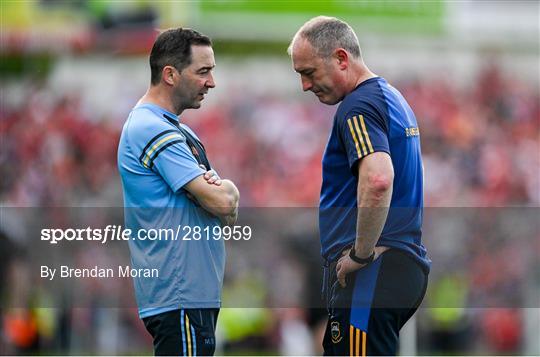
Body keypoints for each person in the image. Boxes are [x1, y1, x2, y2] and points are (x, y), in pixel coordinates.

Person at [289, 16, 430, 356]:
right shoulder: (390, 97)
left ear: (341, 58)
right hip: (394, 268)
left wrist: (360, 253)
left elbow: (379, 179)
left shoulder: (358, 106)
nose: (305, 85)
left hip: (374, 270)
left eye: (309, 72)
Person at [117, 28, 239, 356]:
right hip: (179, 293)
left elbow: (223, 212)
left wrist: (222, 198)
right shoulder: (149, 126)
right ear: (170, 74)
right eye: (203, 71)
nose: (211, 82)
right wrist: (224, 192)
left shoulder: (177, 128)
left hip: (192, 294)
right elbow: (220, 201)